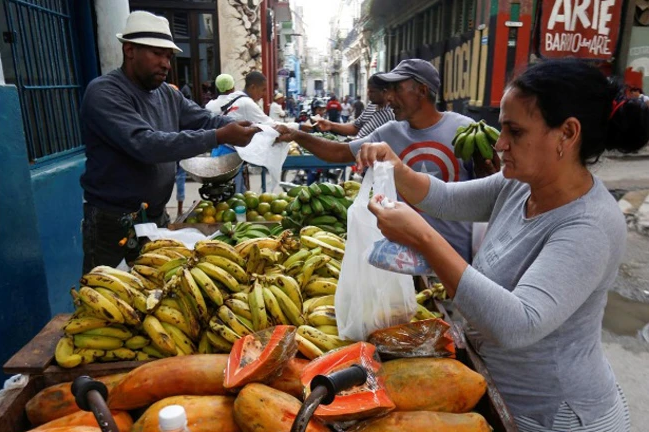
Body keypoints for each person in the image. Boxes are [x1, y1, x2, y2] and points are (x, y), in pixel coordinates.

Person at [358, 59, 649, 432]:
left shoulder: (589, 225)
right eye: (501, 128)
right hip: (501, 394)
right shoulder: (519, 184)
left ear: (567, 134)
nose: (500, 144)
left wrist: (424, 238)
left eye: (515, 131)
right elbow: (444, 198)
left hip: (555, 416)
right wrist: (394, 166)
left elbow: (516, 325)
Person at [79, 11, 259, 272]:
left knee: (159, 291)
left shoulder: (166, 94)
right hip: (113, 222)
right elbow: (147, 144)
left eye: (169, 56)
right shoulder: (104, 93)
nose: (166, 63)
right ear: (129, 50)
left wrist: (251, 128)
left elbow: (204, 119)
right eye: (157, 53)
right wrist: (219, 136)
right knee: (106, 300)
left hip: (156, 216)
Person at [277, 59, 477, 261]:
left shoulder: (464, 130)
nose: (389, 97)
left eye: (397, 89)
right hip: (404, 259)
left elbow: (490, 189)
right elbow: (339, 152)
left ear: (422, 91)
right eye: (388, 90)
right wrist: (297, 136)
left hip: (456, 256)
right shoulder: (389, 133)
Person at [315, 74, 395, 139]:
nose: (368, 94)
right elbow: (355, 127)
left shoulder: (390, 114)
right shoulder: (372, 106)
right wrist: (331, 125)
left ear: (384, 92)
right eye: (368, 90)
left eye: (372, 91)